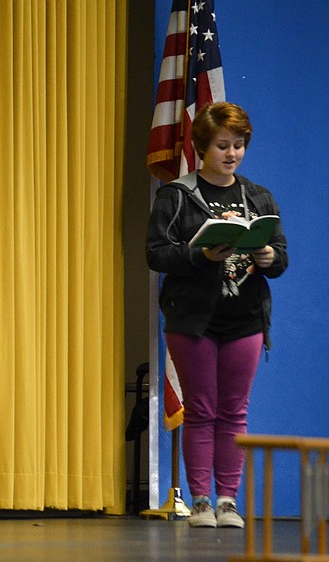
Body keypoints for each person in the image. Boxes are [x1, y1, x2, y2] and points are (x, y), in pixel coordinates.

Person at [146, 102, 288, 529]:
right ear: (203, 147)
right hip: (194, 320)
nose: (232, 153)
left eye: (239, 145)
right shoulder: (176, 195)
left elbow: (281, 257)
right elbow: (156, 254)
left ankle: (228, 501)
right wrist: (200, 254)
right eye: (223, 145)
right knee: (202, 409)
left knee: (234, 411)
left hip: (245, 319)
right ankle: (201, 501)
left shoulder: (259, 196)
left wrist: (269, 256)